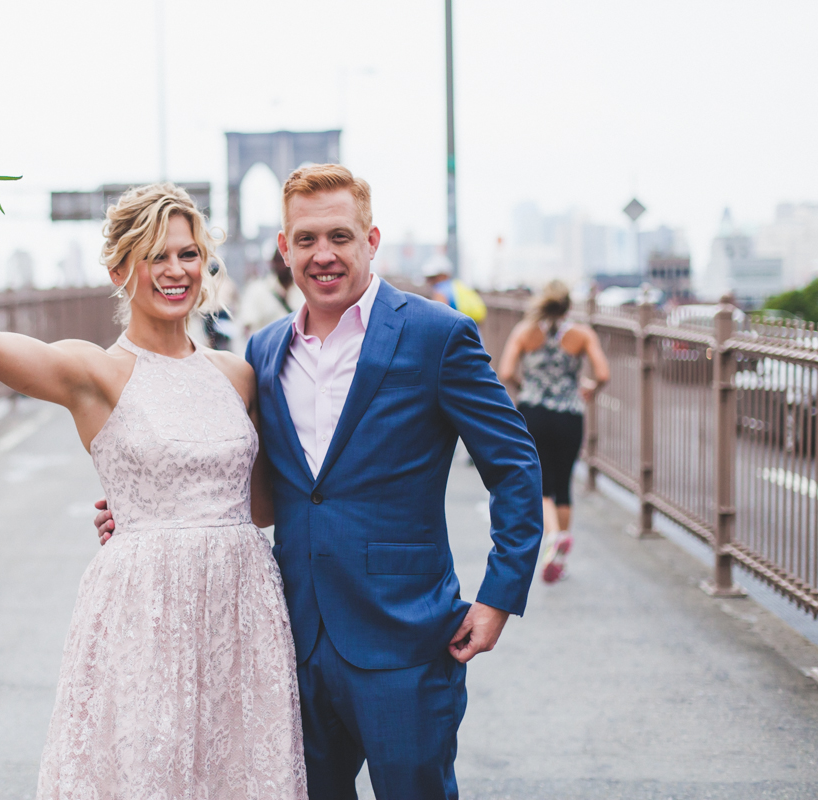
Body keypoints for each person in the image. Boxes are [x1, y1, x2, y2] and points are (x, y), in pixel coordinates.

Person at [98, 164, 543, 800]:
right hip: (292, 645)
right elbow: (246, 482)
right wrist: (143, 510)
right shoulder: (263, 352)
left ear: (371, 239)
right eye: (306, 239)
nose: (323, 254)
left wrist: (500, 596)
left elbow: (516, 464)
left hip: (407, 643)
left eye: (339, 236)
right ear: (284, 248)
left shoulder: (436, 335)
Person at [0, 145, 307, 799]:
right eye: (156, 256)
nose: (175, 271)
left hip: (242, 607)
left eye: (188, 254)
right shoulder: (96, 372)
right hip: (142, 609)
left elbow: (260, 506)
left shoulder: (239, 375)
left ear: (205, 266)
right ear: (122, 269)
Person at [496, 280, 610, 583]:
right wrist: (589, 390)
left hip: (533, 413)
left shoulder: (524, 331)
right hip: (569, 414)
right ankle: (560, 552)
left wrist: (527, 390)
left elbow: (506, 372)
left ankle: (554, 536)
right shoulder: (581, 334)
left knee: (540, 483)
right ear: (568, 305)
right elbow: (603, 373)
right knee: (563, 483)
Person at [239, 247, 305, 337]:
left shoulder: (304, 290)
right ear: (272, 263)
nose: (283, 265)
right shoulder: (257, 290)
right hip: (268, 349)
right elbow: (248, 326)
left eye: (287, 260)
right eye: (279, 261)